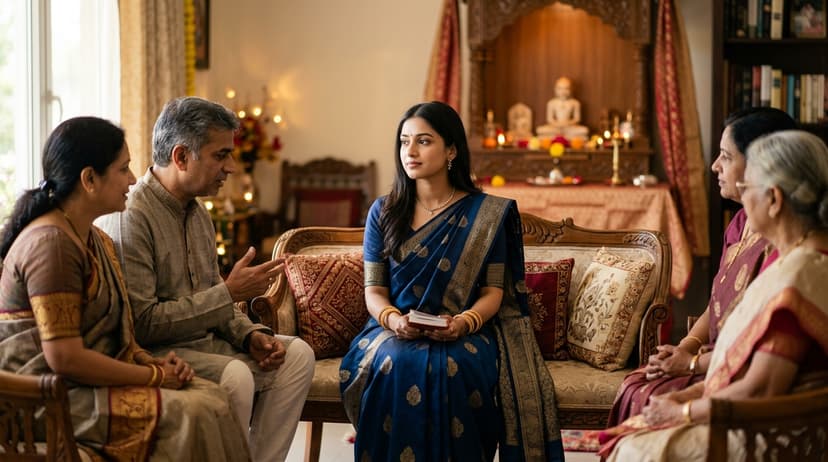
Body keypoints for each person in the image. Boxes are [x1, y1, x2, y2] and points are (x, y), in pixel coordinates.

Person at [0, 117, 249, 461]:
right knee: (193, 412)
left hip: (80, 386)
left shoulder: (94, 238)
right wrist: (153, 375)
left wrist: (155, 362)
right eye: (123, 169)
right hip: (43, 399)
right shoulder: (51, 244)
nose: (133, 179)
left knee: (212, 397)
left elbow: (119, 334)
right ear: (89, 179)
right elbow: (65, 359)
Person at [339, 101, 564, 461]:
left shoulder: (486, 215)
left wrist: (463, 322)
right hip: (391, 328)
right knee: (395, 358)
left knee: (452, 367)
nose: (409, 152)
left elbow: (493, 293)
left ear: (452, 150)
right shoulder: (384, 211)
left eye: (423, 141)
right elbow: (375, 292)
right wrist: (395, 320)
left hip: (466, 330)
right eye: (403, 141)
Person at [96, 97, 314, 462]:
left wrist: (251, 335)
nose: (230, 166)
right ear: (181, 157)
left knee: (296, 355)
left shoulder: (198, 213)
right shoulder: (132, 217)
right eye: (220, 155)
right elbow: (143, 324)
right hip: (160, 353)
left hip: (208, 343)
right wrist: (229, 292)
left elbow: (215, 299)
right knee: (237, 376)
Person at [601, 129, 828, 460]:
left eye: (747, 187)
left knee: (635, 448)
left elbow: (762, 388)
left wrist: (684, 412)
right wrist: (691, 392)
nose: (741, 197)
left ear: (775, 200)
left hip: (772, 433)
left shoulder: (798, 277)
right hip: (776, 418)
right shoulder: (806, 257)